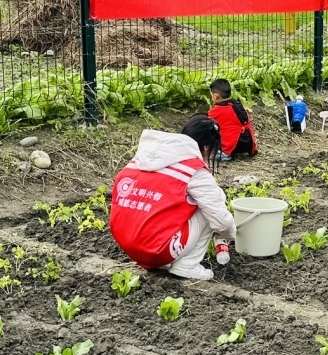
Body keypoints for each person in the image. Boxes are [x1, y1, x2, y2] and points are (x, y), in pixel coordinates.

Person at [110, 116, 237, 281]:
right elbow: (221, 221)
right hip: (156, 250)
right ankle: (188, 265)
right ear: (206, 148)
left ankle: (164, 255)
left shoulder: (141, 158)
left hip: (128, 246)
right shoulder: (194, 170)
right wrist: (230, 234)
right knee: (213, 202)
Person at [206, 79, 258, 160]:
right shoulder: (238, 104)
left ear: (216, 96)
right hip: (249, 143)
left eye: (211, 95)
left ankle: (225, 154)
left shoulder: (217, 111)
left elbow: (205, 122)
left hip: (234, 144)